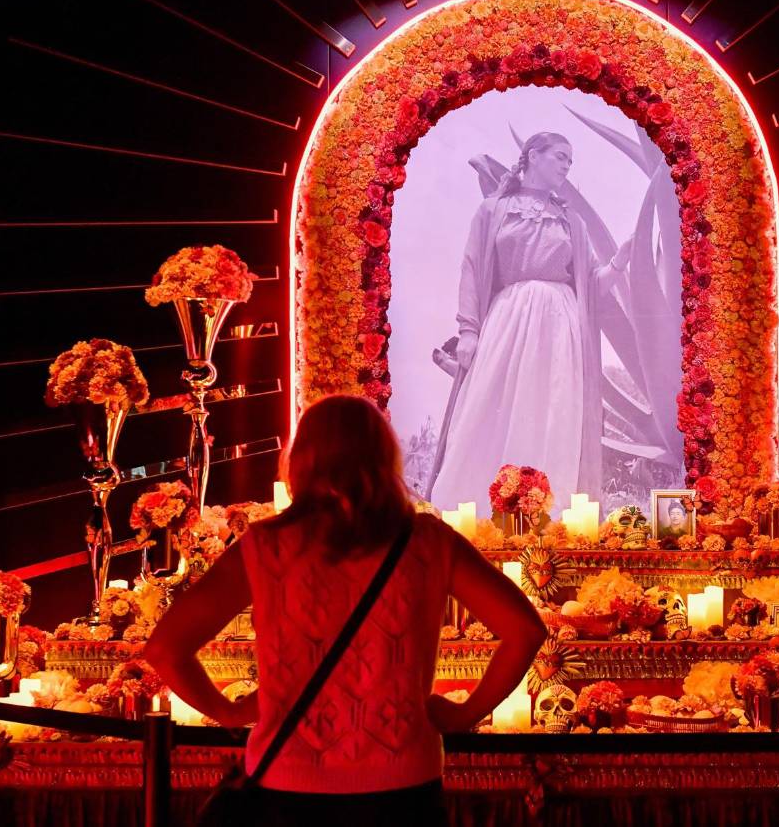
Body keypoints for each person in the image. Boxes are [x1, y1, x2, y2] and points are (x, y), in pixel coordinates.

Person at [146, 394, 547, 825]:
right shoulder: (428, 542)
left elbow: (167, 647)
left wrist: (227, 710)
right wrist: (467, 712)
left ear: (300, 461)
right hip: (403, 784)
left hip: (289, 783)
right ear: (385, 457)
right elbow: (524, 629)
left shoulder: (264, 546)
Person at [428, 132, 631, 515]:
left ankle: (545, 515)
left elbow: (590, 286)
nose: (566, 165)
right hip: (510, 318)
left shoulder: (572, 220)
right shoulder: (493, 211)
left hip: (560, 325)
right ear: (532, 157)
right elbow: (471, 270)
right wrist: (468, 331)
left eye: (570, 161)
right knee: (490, 405)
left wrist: (618, 263)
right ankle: (473, 514)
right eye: (560, 156)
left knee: (553, 408)